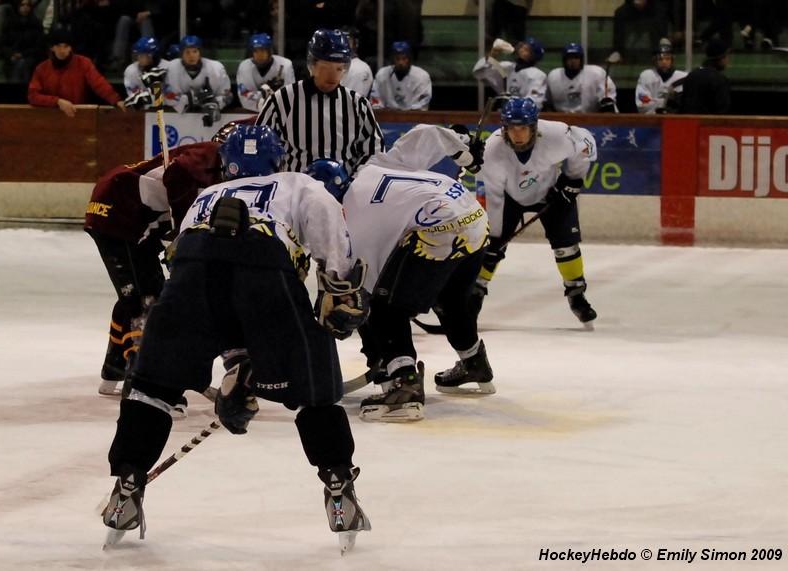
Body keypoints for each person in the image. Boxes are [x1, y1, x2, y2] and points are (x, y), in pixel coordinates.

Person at [100, 124, 372, 552]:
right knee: (313, 391)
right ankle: (339, 490)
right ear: (277, 160)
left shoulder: (206, 197)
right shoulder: (297, 183)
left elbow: (205, 281)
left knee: (152, 387)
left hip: (191, 268)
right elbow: (330, 244)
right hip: (263, 262)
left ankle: (127, 487)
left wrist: (238, 358)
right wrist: (339, 288)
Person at [306, 124, 491, 422]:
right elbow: (426, 133)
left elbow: (359, 291)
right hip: (475, 218)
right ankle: (474, 363)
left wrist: (348, 319)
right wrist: (464, 151)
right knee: (450, 299)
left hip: (438, 228)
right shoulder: (374, 165)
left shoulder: (351, 217)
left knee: (383, 306)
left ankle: (404, 387)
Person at [85, 140, 223, 397]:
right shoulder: (209, 156)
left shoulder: (220, 160)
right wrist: (184, 228)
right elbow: (178, 172)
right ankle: (143, 385)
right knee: (144, 299)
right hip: (119, 210)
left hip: (136, 213)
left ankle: (113, 371)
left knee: (142, 292)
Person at [475, 97, 599, 326]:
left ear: (534, 126)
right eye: (512, 128)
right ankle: (475, 293)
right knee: (489, 248)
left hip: (551, 193)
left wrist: (572, 180)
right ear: (504, 128)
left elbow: (586, 144)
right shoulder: (493, 150)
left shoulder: (555, 135)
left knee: (566, 246)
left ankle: (576, 294)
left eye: (523, 128)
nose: (518, 134)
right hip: (508, 197)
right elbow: (493, 195)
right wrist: (493, 236)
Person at [255, 28, 383, 174]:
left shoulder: (358, 104)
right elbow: (260, 146)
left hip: (345, 192)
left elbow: (374, 151)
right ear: (312, 65)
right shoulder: (281, 100)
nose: (332, 76)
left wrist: (354, 181)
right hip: (295, 191)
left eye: (339, 69)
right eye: (326, 67)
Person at [27, 24, 125, 116]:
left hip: (78, 115)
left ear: (70, 48)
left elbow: (99, 83)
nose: (62, 51)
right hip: (50, 118)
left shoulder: (83, 63)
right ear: (52, 48)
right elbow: (33, 95)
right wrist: (57, 101)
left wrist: (116, 100)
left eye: (66, 46)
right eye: (58, 46)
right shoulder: (41, 68)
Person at [163, 35, 232, 124]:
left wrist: (215, 103)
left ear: (200, 53)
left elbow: (228, 96)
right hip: (179, 120)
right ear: (181, 54)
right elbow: (166, 95)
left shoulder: (216, 68)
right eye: (187, 52)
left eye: (195, 51)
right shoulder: (171, 68)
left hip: (211, 119)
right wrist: (192, 99)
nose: (191, 55)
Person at [472, 36, 546, 110]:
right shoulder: (507, 67)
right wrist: (492, 55)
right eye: (522, 47)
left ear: (534, 56)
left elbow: (534, 103)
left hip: (523, 116)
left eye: (527, 49)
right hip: (505, 112)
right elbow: (480, 72)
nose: (522, 49)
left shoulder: (538, 75)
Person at [546, 43, 617, 113]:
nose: (573, 61)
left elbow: (608, 98)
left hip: (591, 118)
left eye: (576, 57)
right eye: (569, 57)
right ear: (564, 60)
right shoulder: (553, 76)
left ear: (581, 59)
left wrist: (606, 102)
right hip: (562, 120)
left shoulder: (596, 73)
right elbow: (547, 102)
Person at [236, 32, 295, 112]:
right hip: (252, 112)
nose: (259, 55)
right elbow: (245, 96)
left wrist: (260, 96)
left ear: (270, 51)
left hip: (280, 113)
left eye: (262, 51)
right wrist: (270, 93)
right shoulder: (244, 66)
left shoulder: (285, 65)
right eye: (256, 52)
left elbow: (290, 94)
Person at [370, 40, 432, 110]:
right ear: (392, 59)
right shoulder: (382, 74)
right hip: (388, 117)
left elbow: (423, 102)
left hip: (413, 117)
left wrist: (407, 113)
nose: (400, 62)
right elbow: (375, 99)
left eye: (404, 59)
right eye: (397, 59)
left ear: (409, 59)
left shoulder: (422, 76)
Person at [606, 0, 670, 64]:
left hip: (652, 5)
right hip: (633, 6)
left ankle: (659, 52)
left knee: (660, 12)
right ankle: (618, 52)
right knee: (619, 12)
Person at [679, 37, 731, 115]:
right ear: (721, 58)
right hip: (709, 125)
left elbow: (683, 105)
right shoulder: (720, 80)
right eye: (726, 56)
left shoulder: (691, 75)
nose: (728, 60)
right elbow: (722, 111)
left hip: (689, 124)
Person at [0, 0, 45, 84]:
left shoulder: (36, 23)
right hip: (12, 56)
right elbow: (3, 44)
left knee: (23, 64)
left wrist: (23, 54)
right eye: (22, 5)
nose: (25, 8)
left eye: (27, 5)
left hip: (30, 56)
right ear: (18, 7)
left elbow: (39, 46)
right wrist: (11, 54)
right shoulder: (9, 23)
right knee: (18, 64)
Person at [635, 42, 687, 114]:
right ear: (654, 61)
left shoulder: (683, 77)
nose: (664, 62)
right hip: (652, 121)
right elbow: (642, 104)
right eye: (660, 59)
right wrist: (667, 102)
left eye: (667, 58)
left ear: (672, 60)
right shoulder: (646, 76)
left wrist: (655, 102)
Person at [123, 36, 168, 109]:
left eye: (146, 55)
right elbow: (135, 100)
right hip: (143, 112)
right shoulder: (131, 71)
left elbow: (172, 96)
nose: (142, 59)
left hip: (168, 111)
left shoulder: (167, 67)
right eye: (140, 55)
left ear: (154, 55)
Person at [340, 26, 373, 98]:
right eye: (340, 41)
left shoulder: (361, 68)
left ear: (356, 43)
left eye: (347, 41)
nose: (343, 45)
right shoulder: (331, 65)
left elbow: (356, 101)